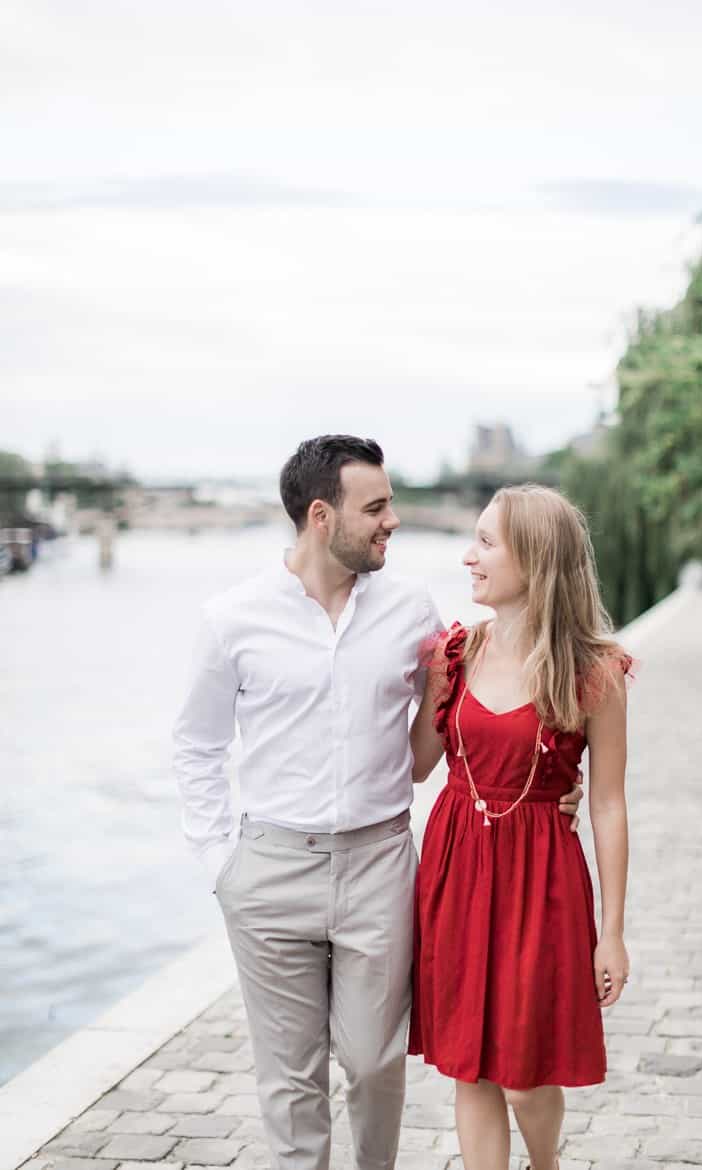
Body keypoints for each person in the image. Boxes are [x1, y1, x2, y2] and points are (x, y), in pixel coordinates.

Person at [173, 436, 583, 1170]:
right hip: (268, 871)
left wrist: (553, 771)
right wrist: (221, 864)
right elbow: (196, 746)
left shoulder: (412, 614)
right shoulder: (231, 618)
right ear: (323, 517)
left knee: (372, 1063)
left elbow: (467, 715)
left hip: (380, 866)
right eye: (378, 507)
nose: (393, 519)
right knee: (290, 1082)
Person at [407, 484, 631, 1170]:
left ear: (534, 561)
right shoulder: (453, 653)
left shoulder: (594, 673)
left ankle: (546, 1162)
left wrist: (612, 934)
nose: (467, 557)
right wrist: (430, 697)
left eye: (485, 543)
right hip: (457, 867)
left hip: (542, 879)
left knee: (525, 1075)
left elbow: (610, 804)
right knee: (468, 1063)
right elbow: (420, 766)